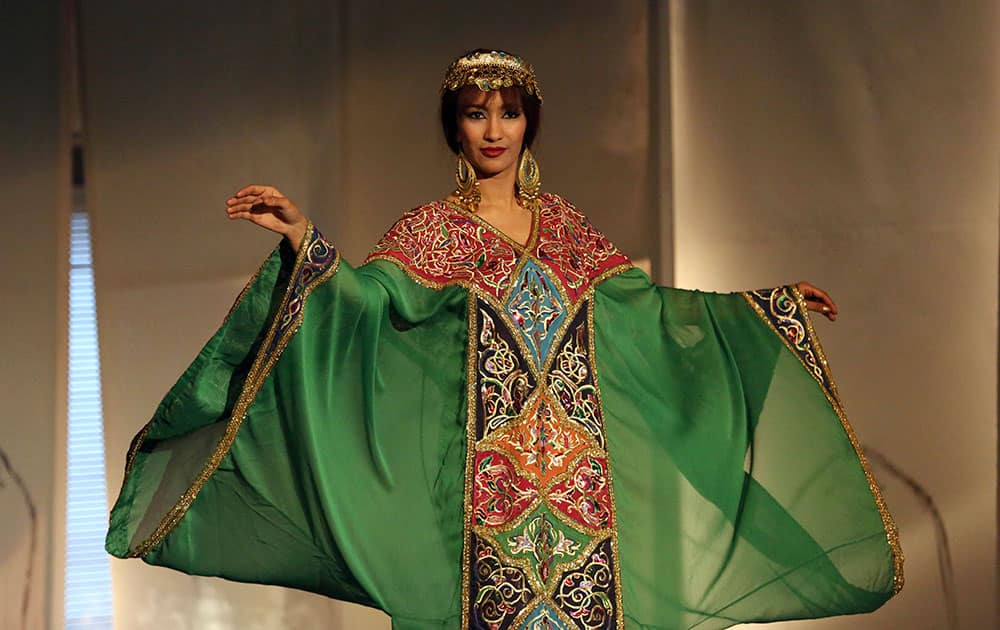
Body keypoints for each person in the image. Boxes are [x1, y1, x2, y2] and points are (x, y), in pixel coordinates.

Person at [106, 49, 903, 630]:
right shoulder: (432, 234)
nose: (495, 129)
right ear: (454, 127)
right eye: (476, 112)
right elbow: (358, 303)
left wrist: (762, 308)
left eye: (509, 111)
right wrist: (303, 238)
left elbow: (650, 312)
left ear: (530, 123)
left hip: (588, 509)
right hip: (484, 505)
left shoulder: (565, 229)